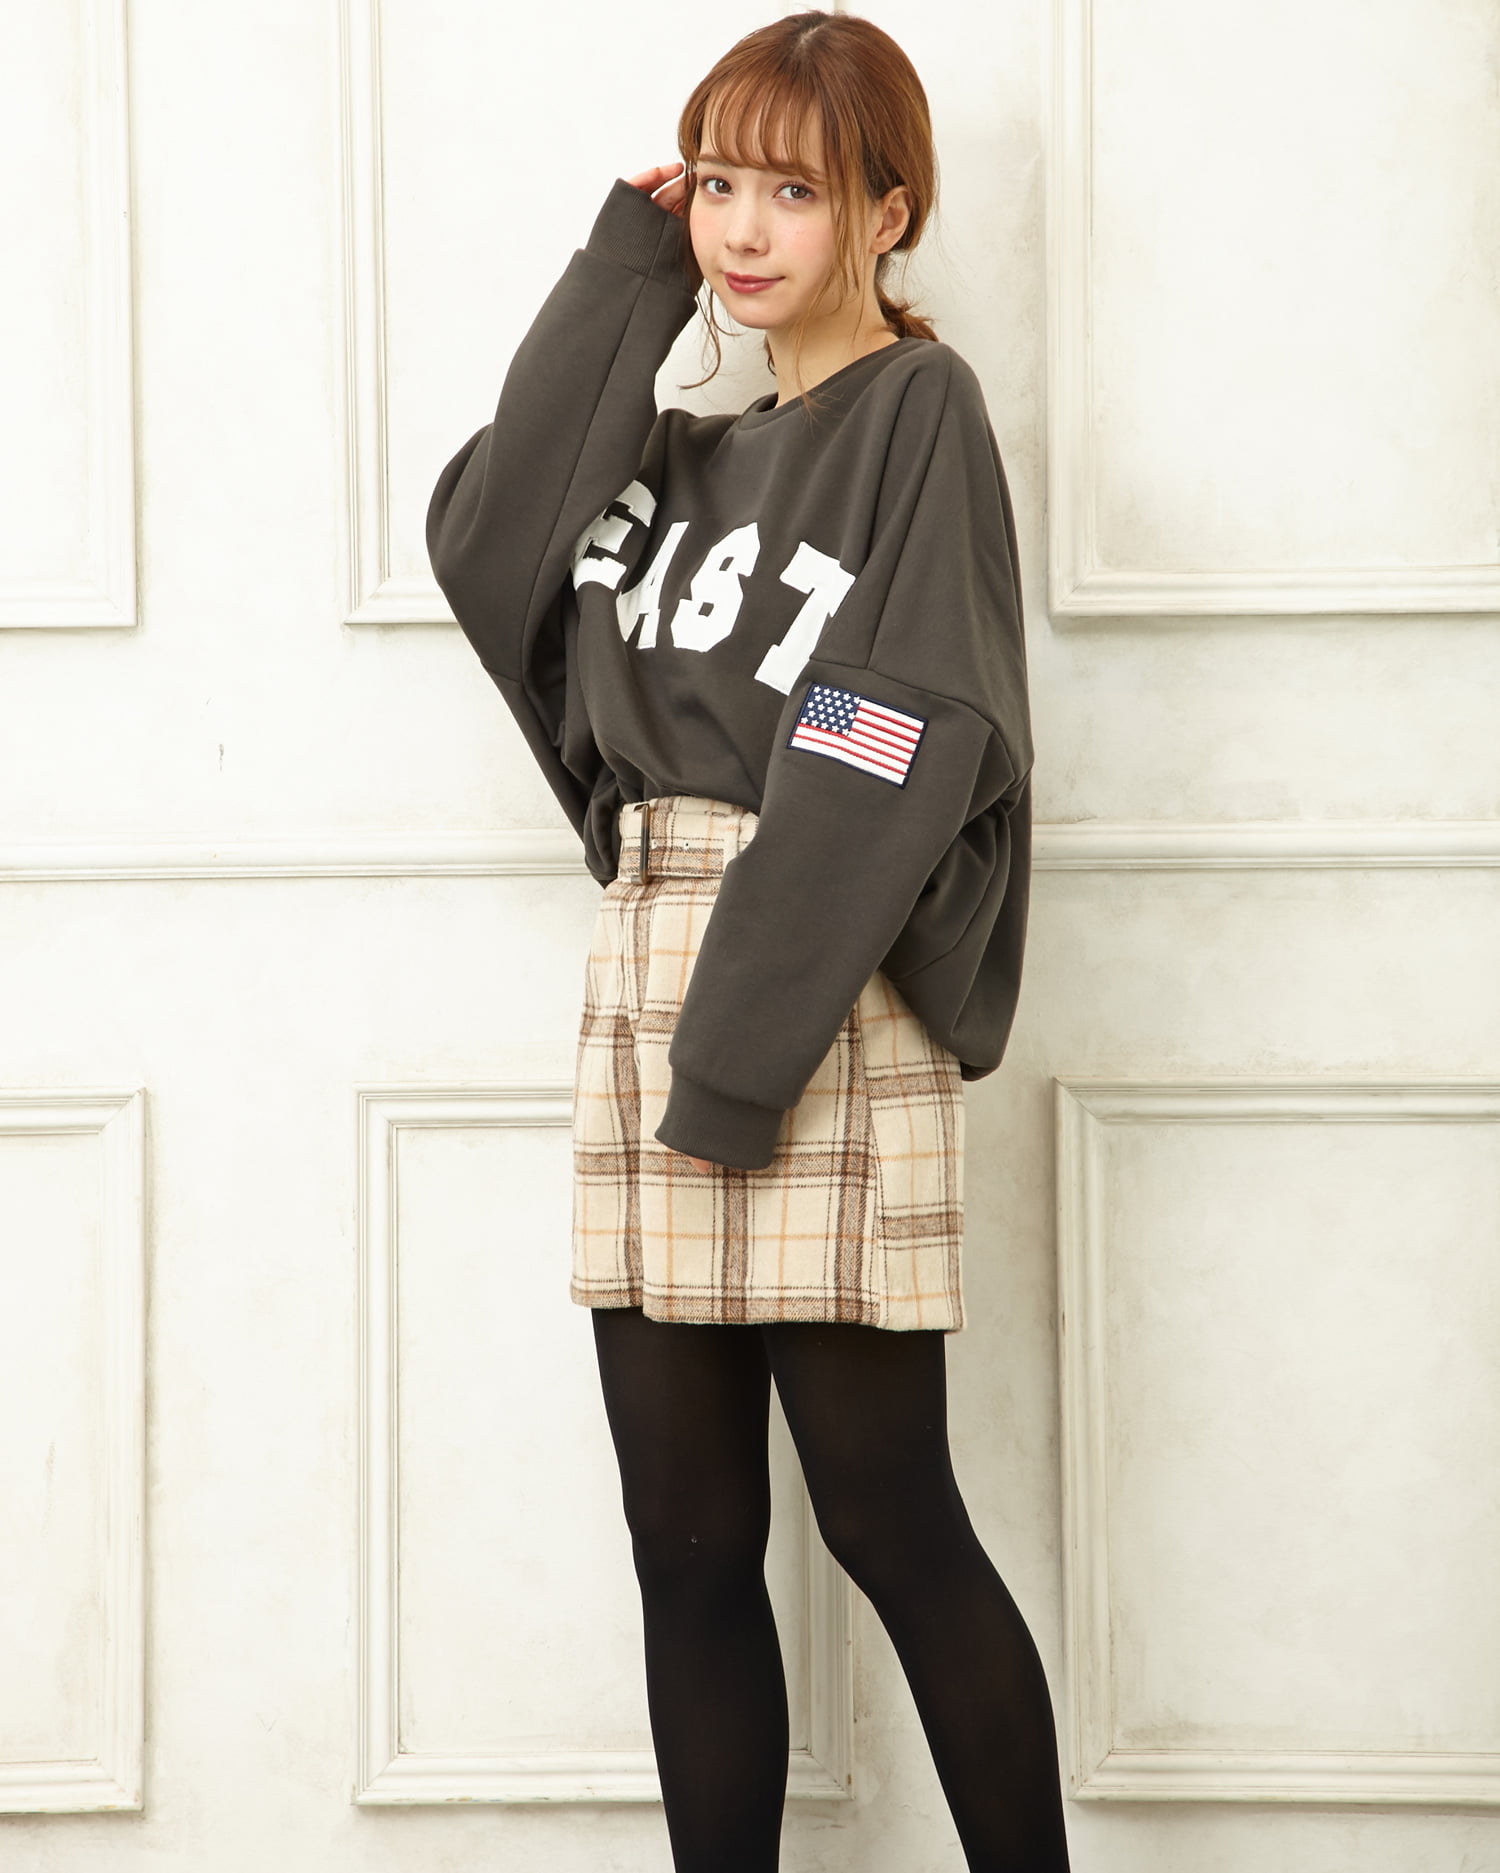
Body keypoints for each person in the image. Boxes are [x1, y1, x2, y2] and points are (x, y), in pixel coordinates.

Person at [425, 10, 1071, 1868]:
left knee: (890, 1522)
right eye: (717, 184)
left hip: (816, 988)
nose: (743, 227)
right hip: (652, 980)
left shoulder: (915, 418)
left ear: (889, 208)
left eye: (793, 188)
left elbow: (896, 733)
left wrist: (736, 1058)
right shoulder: (677, 456)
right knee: (685, 1542)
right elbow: (488, 549)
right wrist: (621, 275)